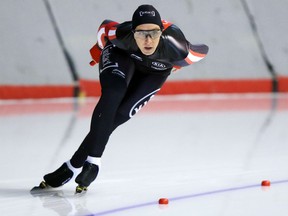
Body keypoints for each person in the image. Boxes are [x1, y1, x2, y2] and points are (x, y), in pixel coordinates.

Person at [34, 4, 209, 193]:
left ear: (161, 32)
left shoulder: (179, 49)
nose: (148, 40)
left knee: (121, 114)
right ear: (133, 32)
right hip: (123, 55)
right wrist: (98, 51)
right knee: (114, 92)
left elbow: (203, 50)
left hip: (155, 72)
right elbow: (105, 27)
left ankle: (73, 165)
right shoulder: (121, 34)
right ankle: (93, 162)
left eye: (154, 33)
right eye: (141, 33)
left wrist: (177, 64)